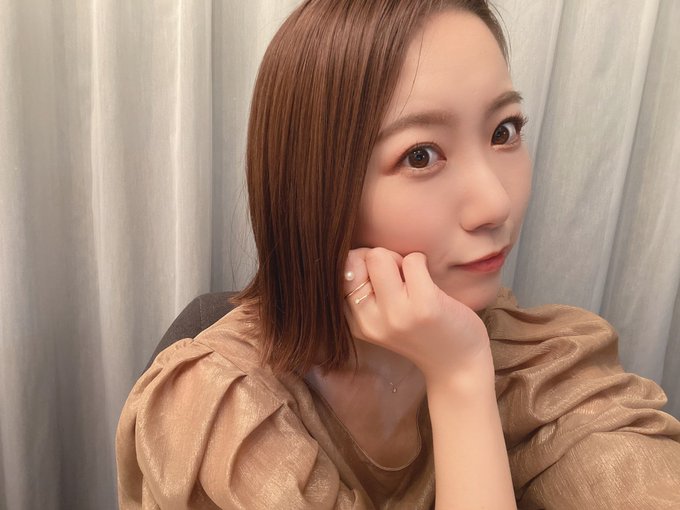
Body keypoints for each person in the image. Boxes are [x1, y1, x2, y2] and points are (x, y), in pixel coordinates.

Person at [116, 0, 680, 508]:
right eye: (420, 156)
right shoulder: (221, 413)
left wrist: (462, 366)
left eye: (503, 131)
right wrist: (459, 380)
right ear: (316, 191)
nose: (495, 203)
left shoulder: (540, 364)